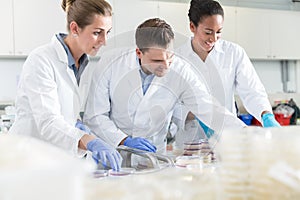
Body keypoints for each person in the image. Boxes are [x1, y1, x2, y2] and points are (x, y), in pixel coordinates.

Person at [83, 18, 246, 154]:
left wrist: (247, 134)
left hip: (154, 154)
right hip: (114, 152)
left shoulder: (182, 70)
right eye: (157, 61)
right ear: (139, 53)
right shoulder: (111, 64)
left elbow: (209, 107)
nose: (167, 66)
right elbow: (95, 116)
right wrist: (124, 140)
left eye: (170, 57)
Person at [9, 0, 122, 170]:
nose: (104, 41)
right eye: (97, 33)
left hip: (56, 159)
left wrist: (77, 124)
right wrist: (90, 141)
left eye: (108, 32)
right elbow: (48, 122)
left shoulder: (83, 62)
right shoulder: (41, 59)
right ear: (75, 28)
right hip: (28, 159)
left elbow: (67, 109)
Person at [173, 0, 280, 146]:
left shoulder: (233, 53)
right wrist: (196, 114)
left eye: (219, 32)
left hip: (228, 135)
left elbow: (252, 91)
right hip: (190, 139)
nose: (213, 38)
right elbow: (171, 101)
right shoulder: (176, 57)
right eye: (208, 32)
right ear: (192, 26)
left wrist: (266, 115)